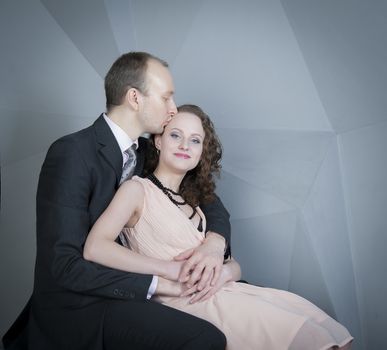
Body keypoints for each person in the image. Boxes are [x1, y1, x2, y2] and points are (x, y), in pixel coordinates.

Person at [2, 53, 231, 350]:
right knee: (206, 338)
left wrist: (214, 245)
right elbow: (64, 265)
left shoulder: (150, 151)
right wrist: (159, 283)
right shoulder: (72, 153)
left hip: (133, 295)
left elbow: (209, 201)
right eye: (166, 98)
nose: (173, 109)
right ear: (135, 98)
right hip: (81, 307)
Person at [83, 104, 354, 350]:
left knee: (326, 331)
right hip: (186, 302)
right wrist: (169, 269)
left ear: (201, 153)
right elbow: (95, 247)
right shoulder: (136, 190)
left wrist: (223, 273)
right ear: (158, 140)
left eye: (195, 140)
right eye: (175, 135)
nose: (184, 145)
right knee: (312, 340)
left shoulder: (198, 206)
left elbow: (234, 266)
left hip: (226, 292)